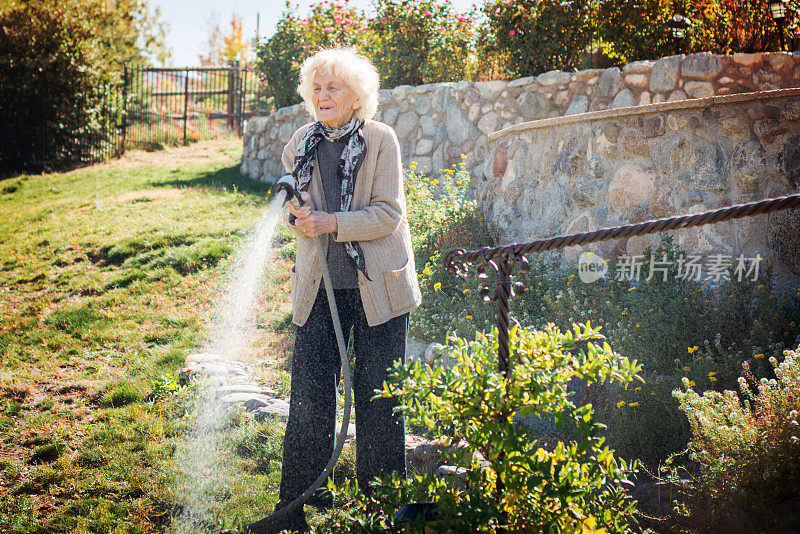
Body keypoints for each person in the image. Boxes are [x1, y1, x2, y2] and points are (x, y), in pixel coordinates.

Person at [275, 47, 422, 530]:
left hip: (378, 287)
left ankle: (382, 510)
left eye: (333, 87)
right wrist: (298, 217)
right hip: (320, 287)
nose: (322, 96)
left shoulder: (381, 141)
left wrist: (330, 221)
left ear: (357, 96)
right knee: (310, 395)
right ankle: (295, 508)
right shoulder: (300, 142)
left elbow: (387, 214)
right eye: (316, 88)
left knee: (378, 397)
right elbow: (296, 210)